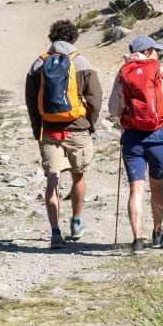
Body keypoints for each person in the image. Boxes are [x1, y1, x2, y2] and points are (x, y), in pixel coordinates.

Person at [25, 19, 103, 249]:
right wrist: (90, 123)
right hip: (78, 128)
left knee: (53, 180)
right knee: (78, 176)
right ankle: (76, 223)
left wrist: (37, 128)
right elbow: (96, 98)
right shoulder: (82, 62)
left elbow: (31, 101)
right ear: (73, 39)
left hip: (49, 130)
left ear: (52, 38)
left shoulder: (38, 64)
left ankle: (55, 232)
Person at [108, 35, 163, 254]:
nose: (158, 54)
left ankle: (137, 239)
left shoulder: (123, 73)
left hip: (132, 138)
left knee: (135, 189)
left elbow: (113, 109)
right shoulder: (161, 71)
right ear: (147, 51)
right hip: (157, 136)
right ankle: (157, 233)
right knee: (157, 186)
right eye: (155, 50)